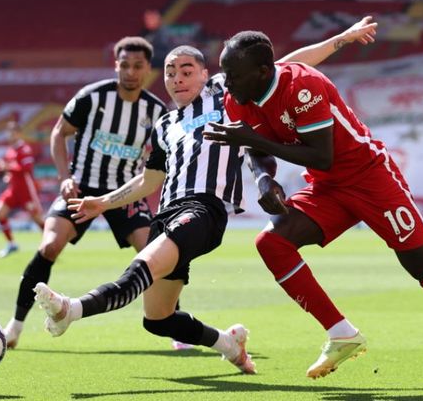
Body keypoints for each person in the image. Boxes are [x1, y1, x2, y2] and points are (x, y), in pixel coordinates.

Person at [202, 30, 423, 392]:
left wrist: (252, 141)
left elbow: (322, 154)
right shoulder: (238, 94)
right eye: (226, 72)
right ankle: (341, 333)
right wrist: (265, 180)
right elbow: (256, 148)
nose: (227, 82)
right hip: (328, 187)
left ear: (263, 70)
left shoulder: (304, 87)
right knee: (272, 243)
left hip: (371, 179)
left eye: (234, 74)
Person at [33, 45, 256, 374]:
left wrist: (341, 39)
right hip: (168, 214)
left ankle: (71, 309)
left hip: (204, 210)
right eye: (170, 72)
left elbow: (283, 65)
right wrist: (103, 202)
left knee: (142, 265)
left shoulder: (222, 92)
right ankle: (229, 344)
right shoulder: (165, 125)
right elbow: (148, 182)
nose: (177, 78)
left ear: (204, 74)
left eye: (186, 71)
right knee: (158, 319)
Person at [2, 37, 169, 349]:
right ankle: (16, 325)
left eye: (137, 66)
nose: (130, 72)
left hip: (123, 193)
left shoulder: (156, 110)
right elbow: (59, 133)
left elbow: (166, 154)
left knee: (156, 256)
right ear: (115, 65)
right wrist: (64, 177)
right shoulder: (92, 97)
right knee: (49, 246)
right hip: (83, 186)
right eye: (125, 65)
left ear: (147, 69)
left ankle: (173, 323)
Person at [0, 120, 44, 258]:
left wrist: (7, 167)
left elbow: (27, 169)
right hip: (13, 190)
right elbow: (13, 170)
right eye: (8, 132)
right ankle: (11, 244)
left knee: (37, 218)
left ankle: (51, 244)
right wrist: (8, 175)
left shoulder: (24, 149)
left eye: (12, 132)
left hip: (26, 191)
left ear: (19, 133)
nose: (9, 135)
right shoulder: (10, 150)